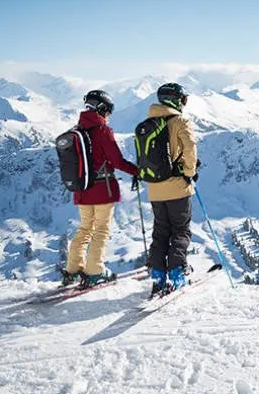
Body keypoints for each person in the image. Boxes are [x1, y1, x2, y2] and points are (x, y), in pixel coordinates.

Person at [62, 90, 138, 287]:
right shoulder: (103, 131)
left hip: (82, 188)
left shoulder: (77, 130)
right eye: (108, 111)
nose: (109, 116)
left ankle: (72, 270)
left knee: (85, 229)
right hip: (102, 189)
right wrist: (137, 171)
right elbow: (117, 161)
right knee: (101, 230)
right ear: (102, 108)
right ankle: (95, 271)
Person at [144, 82, 199, 295]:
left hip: (154, 189)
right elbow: (190, 148)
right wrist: (189, 173)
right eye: (183, 99)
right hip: (177, 188)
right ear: (176, 100)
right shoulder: (180, 121)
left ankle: (158, 275)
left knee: (160, 231)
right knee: (180, 229)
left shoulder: (148, 123)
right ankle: (177, 273)